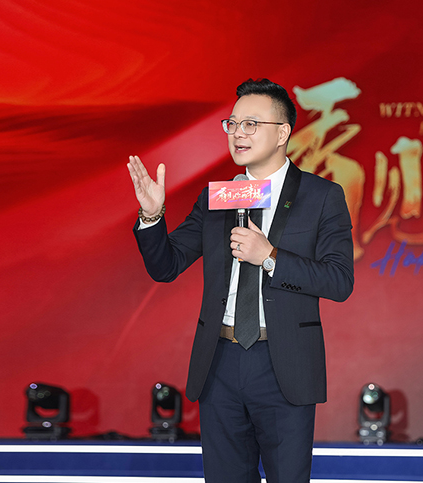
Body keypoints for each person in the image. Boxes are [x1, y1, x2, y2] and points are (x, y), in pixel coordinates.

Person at [127, 78, 354, 483]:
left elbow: (339, 281)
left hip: (282, 364)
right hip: (220, 362)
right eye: (232, 124)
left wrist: (270, 257)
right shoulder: (217, 197)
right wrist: (152, 216)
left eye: (251, 124)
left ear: (282, 133)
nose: (238, 133)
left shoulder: (322, 196)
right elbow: (166, 266)